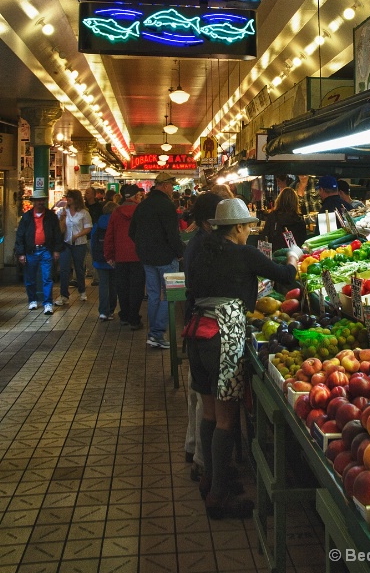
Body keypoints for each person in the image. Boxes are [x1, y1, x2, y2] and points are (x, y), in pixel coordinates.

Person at [184, 198, 303, 519]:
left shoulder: (202, 253)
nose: (250, 231)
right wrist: (294, 256)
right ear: (236, 227)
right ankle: (218, 498)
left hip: (196, 333)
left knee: (209, 414)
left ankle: (211, 479)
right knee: (226, 417)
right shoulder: (245, 253)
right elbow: (286, 276)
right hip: (225, 335)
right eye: (248, 226)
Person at [182, 192, 223, 482]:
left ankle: (192, 446)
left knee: (196, 393)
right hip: (206, 328)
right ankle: (202, 460)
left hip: (195, 325)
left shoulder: (196, 241)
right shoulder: (205, 245)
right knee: (206, 401)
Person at [128, 171, 184, 349]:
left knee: (153, 296)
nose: (172, 189)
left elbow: (132, 232)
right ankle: (157, 334)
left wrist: (144, 247)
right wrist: (180, 252)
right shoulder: (167, 206)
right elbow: (172, 235)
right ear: (165, 185)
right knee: (172, 295)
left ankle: (154, 334)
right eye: (172, 186)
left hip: (147, 259)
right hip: (168, 258)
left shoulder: (142, 205)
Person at [15, 188, 63, 314]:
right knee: (30, 278)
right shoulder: (26, 217)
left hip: (46, 250)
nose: (40, 202)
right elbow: (20, 236)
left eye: (42, 200)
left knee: (47, 277)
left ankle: (47, 303)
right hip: (31, 251)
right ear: (33, 202)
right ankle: (32, 300)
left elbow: (57, 234)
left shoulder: (51, 217)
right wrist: (21, 253)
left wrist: (57, 250)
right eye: (38, 200)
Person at [104, 183, 145, 330]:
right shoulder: (141, 211)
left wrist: (109, 254)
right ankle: (134, 318)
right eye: (139, 196)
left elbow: (109, 234)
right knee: (137, 288)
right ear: (135, 197)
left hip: (120, 256)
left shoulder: (116, 212)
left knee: (122, 287)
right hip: (138, 255)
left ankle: (124, 316)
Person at [54, 189, 92, 306]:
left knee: (79, 268)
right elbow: (60, 230)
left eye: (70, 197)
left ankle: (82, 290)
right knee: (64, 269)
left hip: (79, 244)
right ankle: (64, 295)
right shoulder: (62, 212)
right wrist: (62, 219)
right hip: (66, 244)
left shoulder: (84, 213)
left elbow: (88, 227)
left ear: (76, 199)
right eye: (67, 197)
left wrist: (78, 235)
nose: (68, 199)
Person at [91, 201, 118, 321]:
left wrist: (95, 257)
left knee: (103, 285)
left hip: (100, 259)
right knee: (113, 285)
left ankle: (103, 311)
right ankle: (111, 310)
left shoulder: (97, 224)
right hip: (113, 259)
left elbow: (92, 242)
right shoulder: (116, 223)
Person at [259, 187, 307, 252]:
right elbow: (303, 243)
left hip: (275, 256)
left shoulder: (273, 216)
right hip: (295, 257)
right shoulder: (300, 220)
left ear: (279, 200)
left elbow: (264, 238)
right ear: (295, 202)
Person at [85, 186, 103, 285]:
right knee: (87, 256)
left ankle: (96, 278)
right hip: (84, 235)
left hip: (95, 235)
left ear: (93, 194)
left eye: (88, 193)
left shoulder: (99, 207)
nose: (85, 194)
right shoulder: (83, 207)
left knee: (94, 255)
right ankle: (90, 273)